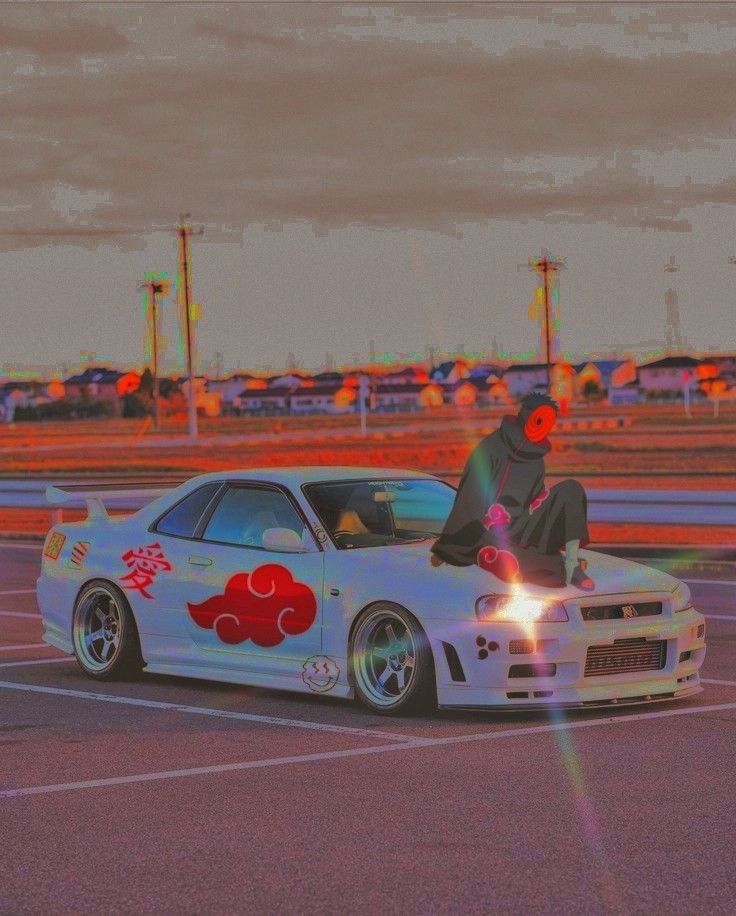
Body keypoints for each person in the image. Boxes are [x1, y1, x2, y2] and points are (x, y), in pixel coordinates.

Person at [431, 392, 594, 590]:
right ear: (526, 415)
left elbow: (537, 502)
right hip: (489, 527)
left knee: (571, 489)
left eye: (549, 422)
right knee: (524, 564)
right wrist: (449, 547)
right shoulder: (491, 448)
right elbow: (469, 497)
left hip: (521, 527)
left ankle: (572, 565)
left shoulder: (537, 463)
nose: (544, 426)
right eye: (539, 419)